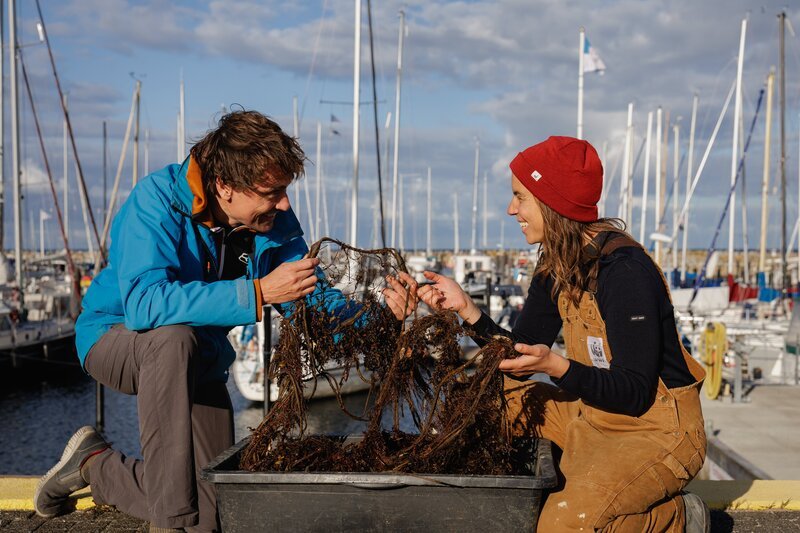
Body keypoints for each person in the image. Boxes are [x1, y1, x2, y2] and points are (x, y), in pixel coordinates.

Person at [33, 110, 416, 532]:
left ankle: (94, 464)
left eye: (285, 190)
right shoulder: (155, 201)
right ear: (225, 186)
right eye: (272, 192)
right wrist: (259, 293)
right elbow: (143, 304)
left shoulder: (273, 222)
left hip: (201, 358)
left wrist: (381, 314)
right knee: (174, 340)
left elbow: (316, 309)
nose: (284, 203)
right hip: (114, 338)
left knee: (212, 512)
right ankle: (167, 525)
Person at [415, 136, 709, 532]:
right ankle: (560, 481)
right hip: (589, 412)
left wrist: (556, 366)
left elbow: (635, 392)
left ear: (551, 203)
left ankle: (677, 518)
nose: (510, 209)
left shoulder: (625, 273)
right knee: (484, 401)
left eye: (520, 197)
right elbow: (517, 360)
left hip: (656, 429)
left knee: (564, 526)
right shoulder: (556, 265)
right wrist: (468, 311)